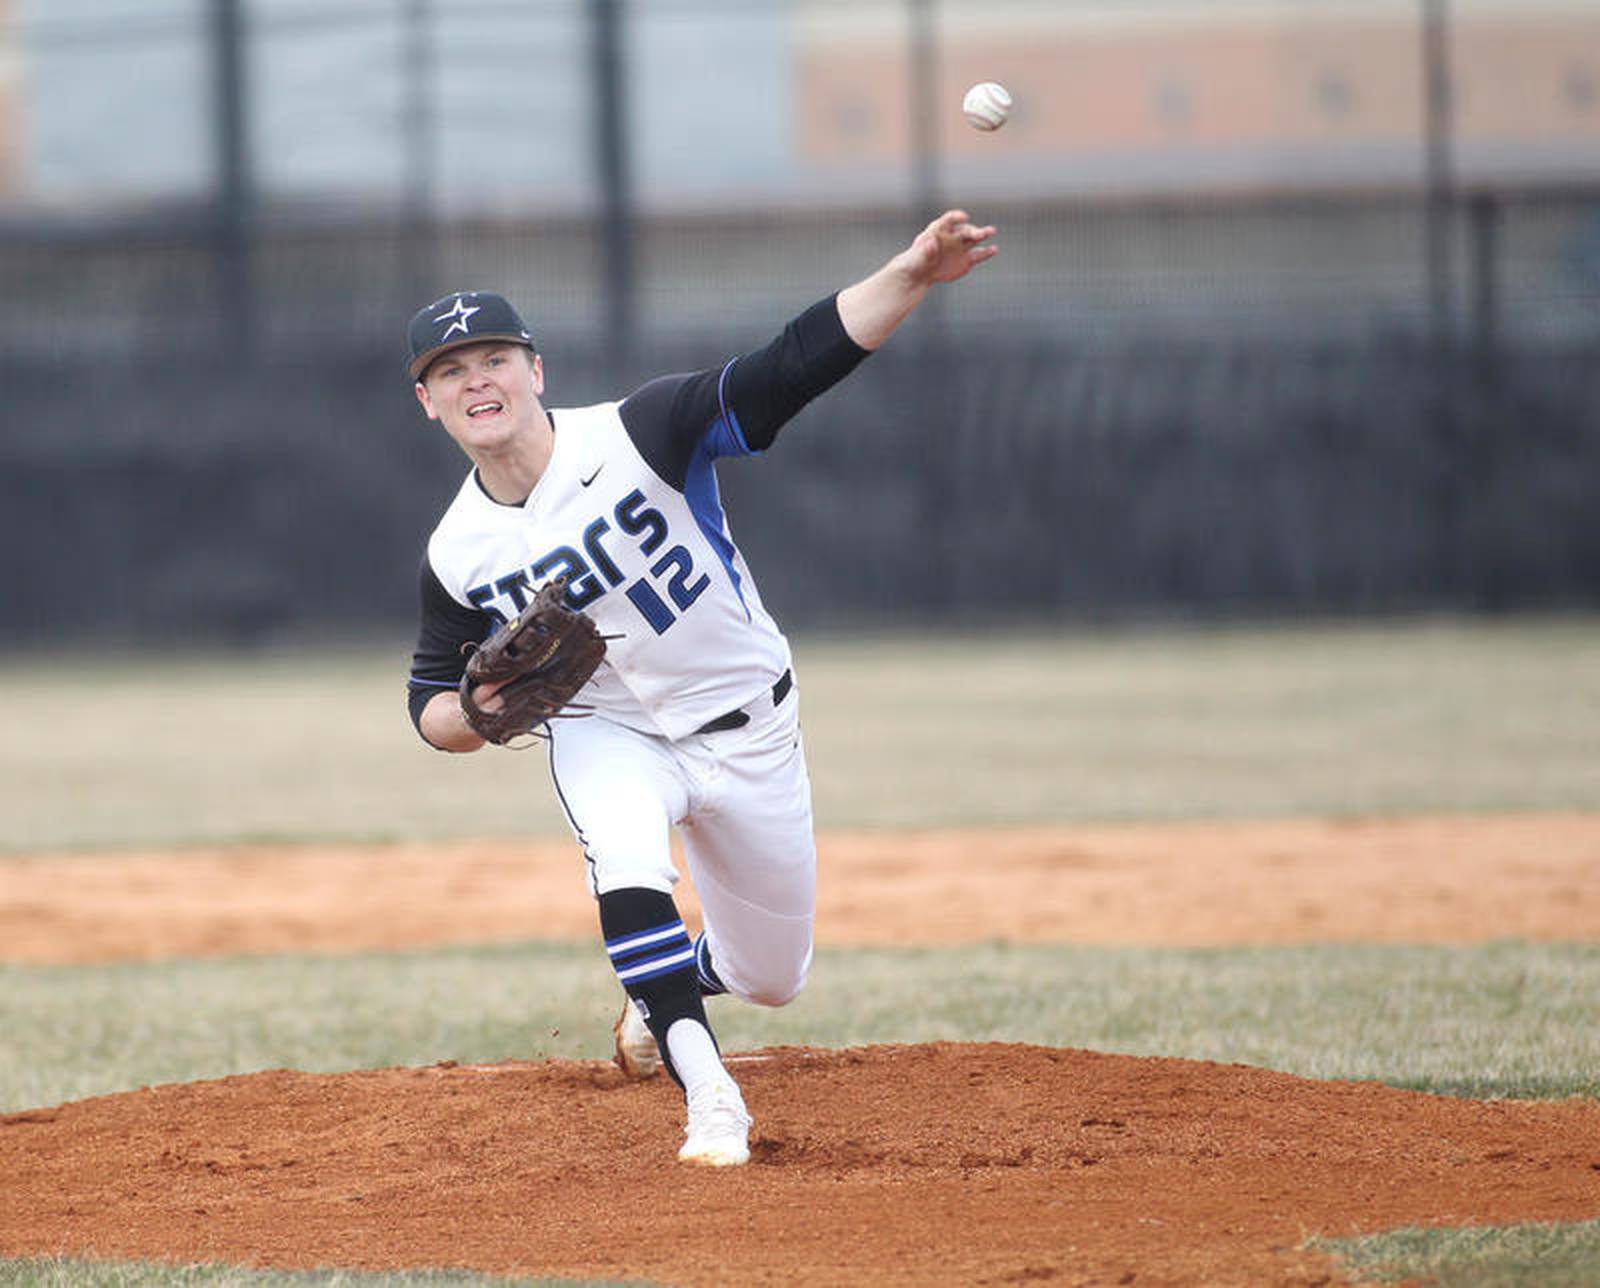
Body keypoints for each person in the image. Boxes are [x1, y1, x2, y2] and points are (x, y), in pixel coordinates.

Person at [404, 209, 997, 1166]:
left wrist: (911, 274)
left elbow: (790, 365)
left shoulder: (646, 429)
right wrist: (473, 712)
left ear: (536, 371)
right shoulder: (454, 553)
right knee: (628, 869)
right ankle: (710, 1091)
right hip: (610, 735)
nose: (477, 380)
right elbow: (429, 703)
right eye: (449, 370)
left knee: (774, 977)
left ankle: (673, 992)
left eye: (495, 358)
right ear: (428, 403)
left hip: (748, 724)